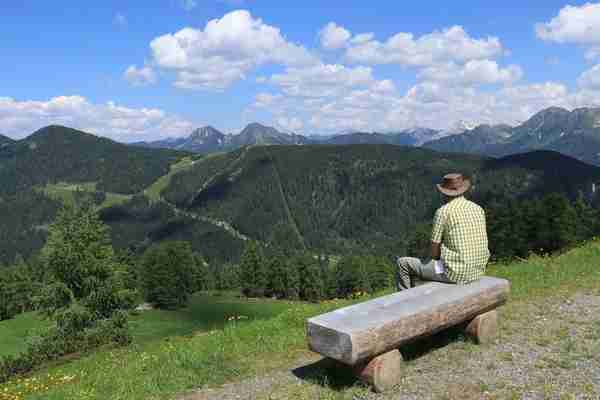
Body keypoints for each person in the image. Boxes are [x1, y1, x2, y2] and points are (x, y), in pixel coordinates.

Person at [396, 173, 490, 291]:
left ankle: (405, 302)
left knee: (403, 263)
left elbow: (434, 249)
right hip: (478, 270)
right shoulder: (477, 208)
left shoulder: (443, 212)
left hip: (455, 273)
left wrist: (432, 260)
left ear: (444, 192)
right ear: (462, 190)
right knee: (426, 268)